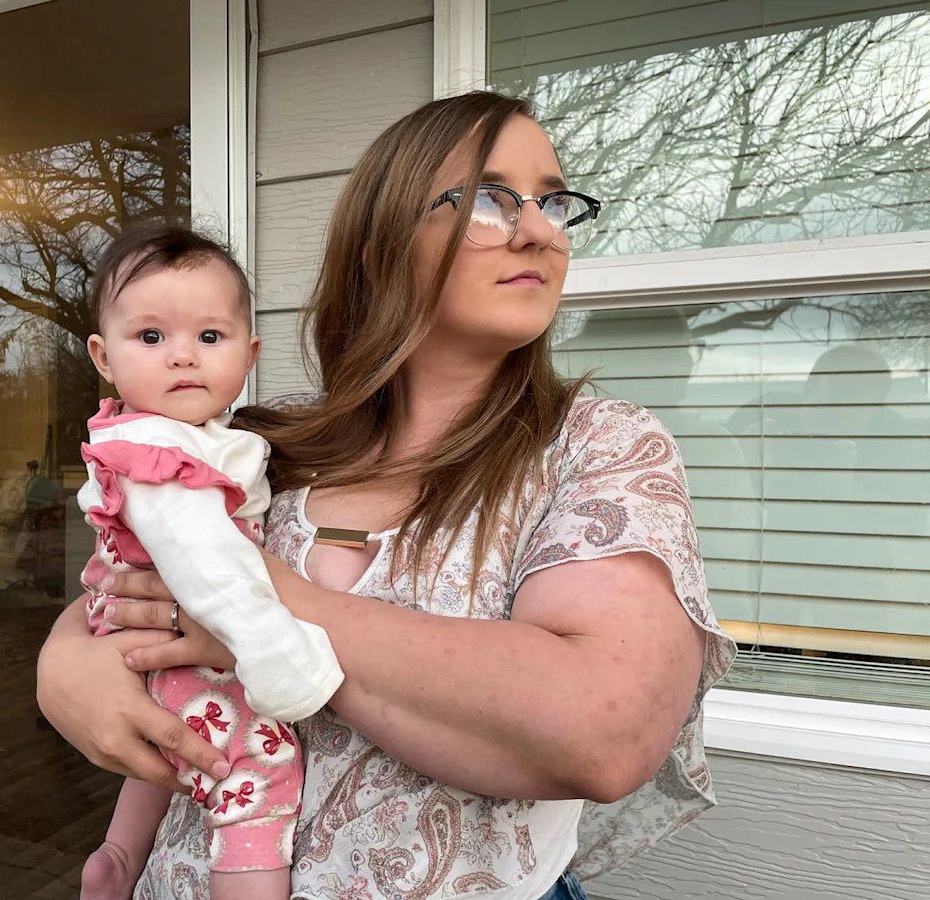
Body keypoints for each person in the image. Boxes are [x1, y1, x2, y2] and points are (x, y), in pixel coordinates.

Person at [39, 91, 736, 900]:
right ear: (381, 250)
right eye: (488, 199)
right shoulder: (265, 443)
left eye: (552, 202)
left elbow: (604, 732)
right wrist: (63, 665)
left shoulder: (597, 448)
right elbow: (136, 580)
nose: (538, 230)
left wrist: (267, 609)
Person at [75, 224, 344, 900]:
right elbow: (211, 568)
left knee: (170, 743)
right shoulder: (161, 455)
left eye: (210, 336)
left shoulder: (179, 438)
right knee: (254, 775)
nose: (182, 357)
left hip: (145, 641)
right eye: (151, 336)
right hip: (180, 637)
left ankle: (117, 855)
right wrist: (277, 655)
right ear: (104, 357)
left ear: (249, 354)